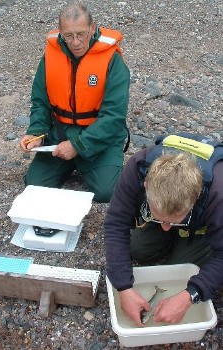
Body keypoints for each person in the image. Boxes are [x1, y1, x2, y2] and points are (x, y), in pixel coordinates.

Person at [104, 133, 223, 327]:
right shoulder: (137, 167)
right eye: (161, 219)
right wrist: (123, 287)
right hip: (171, 211)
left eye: (173, 221)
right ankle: (168, 224)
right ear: (146, 186)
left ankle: (186, 242)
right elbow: (116, 223)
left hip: (202, 229)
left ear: (196, 198)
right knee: (137, 248)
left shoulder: (218, 194)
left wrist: (190, 295)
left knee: (182, 266)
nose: (166, 228)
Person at [19, 1, 130, 204]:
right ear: (60, 32)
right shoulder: (50, 56)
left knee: (107, 192)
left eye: (81, 34)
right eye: (69, 36)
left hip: (99, 137)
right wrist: (36, 133)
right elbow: (40, 102)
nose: (76, 42)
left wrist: (78, 146)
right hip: (59, 134)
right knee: (33, 185)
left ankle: (86, 162)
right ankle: (70, 164)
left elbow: (114, 116)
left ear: (92, 28)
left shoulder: (113, 61)